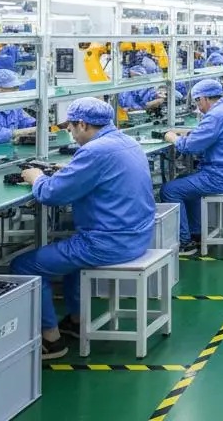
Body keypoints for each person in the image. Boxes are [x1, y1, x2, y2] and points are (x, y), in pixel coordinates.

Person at [10, 98, 155, 360]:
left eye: (71, 128)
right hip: (138, 236)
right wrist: (71, 171)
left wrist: (36, 177)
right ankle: (76, 320)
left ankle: (51, 341)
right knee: (68, 251)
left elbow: (51, 194)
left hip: (107, 244)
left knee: (24, 265)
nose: (71, 134)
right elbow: (98, 176)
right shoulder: (126, 141)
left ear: (83, 124)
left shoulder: (94, 151)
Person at [161, 79, 223, 255]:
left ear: (203, 98)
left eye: (197, 102)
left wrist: (171, 137)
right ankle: (196, 232)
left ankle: (185, 243)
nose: (199, 108)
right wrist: (190, 134)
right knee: (187, 182)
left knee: (170, 190)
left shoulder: (215, 116)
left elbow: (189, 147)